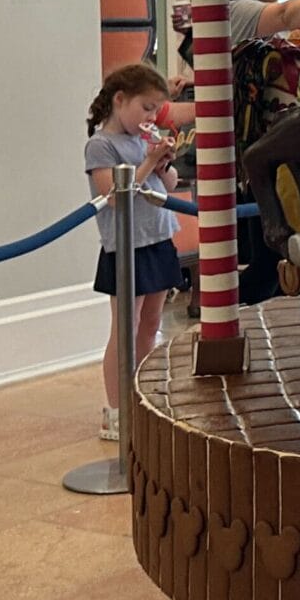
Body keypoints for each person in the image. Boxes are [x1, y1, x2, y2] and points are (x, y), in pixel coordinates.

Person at [85, 61, 180, 443]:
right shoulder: (101, 145)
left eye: (156, 109)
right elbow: (114, 198)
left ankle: (142, 396)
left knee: (151, 324)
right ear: (120, 100)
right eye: (146, 107)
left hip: (157, 237)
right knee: (125, 327)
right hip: (126, 246)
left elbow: (169, 186)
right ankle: (116, 409)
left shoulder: (143, 140)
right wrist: (149, 161)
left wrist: (163, 161)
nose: (151, 116)